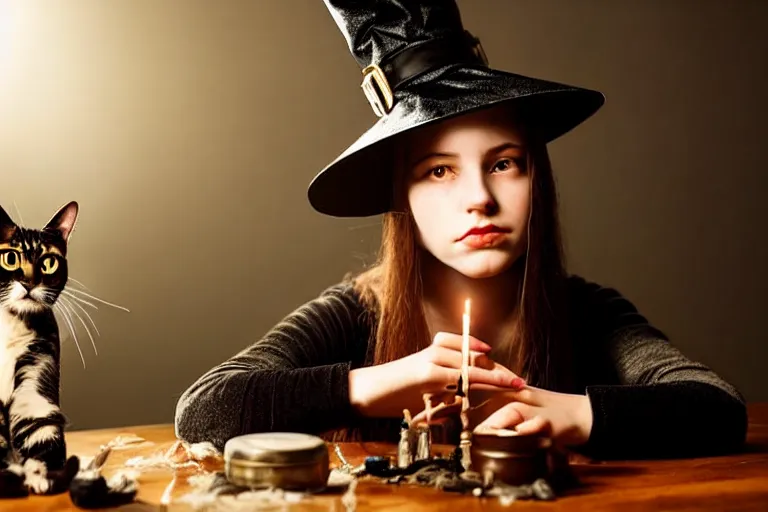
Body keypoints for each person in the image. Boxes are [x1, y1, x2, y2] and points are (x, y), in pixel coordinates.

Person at [174, 0, 747, 460]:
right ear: (404, 197)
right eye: (439, 170)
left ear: (535, 178)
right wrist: (374, 385)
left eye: (504, 164)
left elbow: (717, 409)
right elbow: (204, 410)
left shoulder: (584, 310)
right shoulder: (357, 311)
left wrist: (569, 414)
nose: (479, 198)